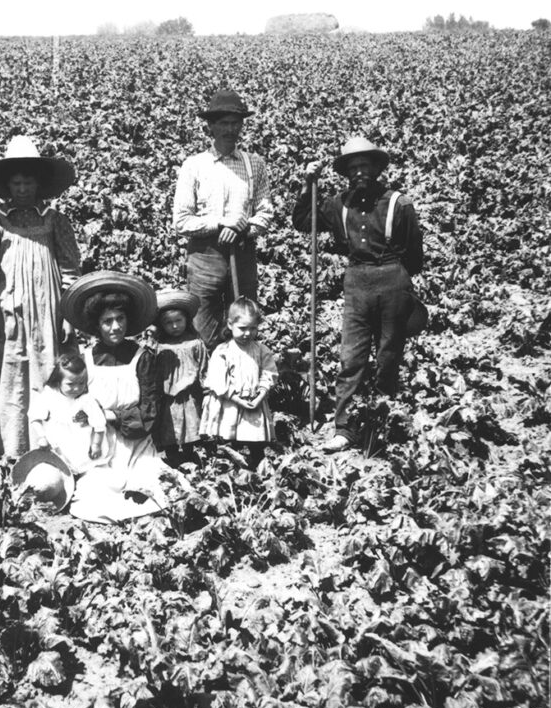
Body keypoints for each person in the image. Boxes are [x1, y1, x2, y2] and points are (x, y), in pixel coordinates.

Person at [292, 136, 424, 452]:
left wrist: (397, 280)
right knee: (350, 358)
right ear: (347, 172)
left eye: (366, 165)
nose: (360, 171)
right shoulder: (339, 203)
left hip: (393, 279)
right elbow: (302, 222)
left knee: (388, 356)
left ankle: (382, 423)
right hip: (356, 282)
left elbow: (415, 256)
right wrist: (309, 183)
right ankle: (345, 428)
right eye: (354, 167)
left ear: (377, 168)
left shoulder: (398, 204)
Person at [0, 135, 79, 460]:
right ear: (8, 186)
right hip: (8, 309)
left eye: (28, 183)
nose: (22, 189)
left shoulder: (53, 220)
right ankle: (10, 447)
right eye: (17, 183)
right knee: (11, 370)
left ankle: (47, 446)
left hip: (48, 310)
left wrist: (68, 313)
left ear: (38, 185)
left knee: (46, 366)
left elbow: (69, 267)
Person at [60, 271, 186, 523]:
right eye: (107, 321)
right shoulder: (85, 359)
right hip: (100, 445)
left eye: (120, 319)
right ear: (97, 326)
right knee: (94, 495)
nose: (115, 327)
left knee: (154, 487)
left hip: (136, 442)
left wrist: (112, 415)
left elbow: (150, 410)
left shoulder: (142, 358)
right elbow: (74, 406)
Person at [172, 89, 274, 349]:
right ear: (211, 127)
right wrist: (220, 223)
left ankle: (241, 384)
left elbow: (265, 212)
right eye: (224, 123)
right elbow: (181, 221)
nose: (231, 129)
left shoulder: (255, 164)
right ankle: (207, 383)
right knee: (203, 327)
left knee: (243, 324)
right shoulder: (194, 166)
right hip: (205, 258)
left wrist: (243, 228)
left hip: (242, 254)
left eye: (236, 122)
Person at [199, 296, 279, 468]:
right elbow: (217, 380)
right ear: (230, 325)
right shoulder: (223, 351)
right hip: (230, 401)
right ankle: (228, 463)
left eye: (253, 328)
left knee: (254, 439)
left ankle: (256, 466)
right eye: (242, 328)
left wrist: (260, 396)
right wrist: (236, 399)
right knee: (228, 434)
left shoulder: (261, 350)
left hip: (253, 401)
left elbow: (269, 374)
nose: (248, 333)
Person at [152, 289, 208, 466]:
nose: (175, 326)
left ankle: (191, 455)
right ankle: (173, 457)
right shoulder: (159, 347)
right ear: (161, 325)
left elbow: (204, 370)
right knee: (170, 429)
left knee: (191, 425)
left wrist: (207, 392)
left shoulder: (195, 344)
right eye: (168, 323)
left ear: (186, 320)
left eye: (178, 321)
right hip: (168, 398)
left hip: (190, 395)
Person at [28, 352, 108, 475]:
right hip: (58, 439)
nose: (77, 388)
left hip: (81, 440)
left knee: (87, 468)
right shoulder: (50, 394)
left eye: (81, 383)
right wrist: (42, 436)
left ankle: (81, 474)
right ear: (58, 381)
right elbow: (35, 416)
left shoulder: (86, 399)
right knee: (58, 467)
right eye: (70, 384)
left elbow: (99, 424)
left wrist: (96, 444)